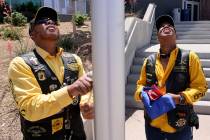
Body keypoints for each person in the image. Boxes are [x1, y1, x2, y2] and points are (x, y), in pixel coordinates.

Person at [8, 7, 94, 140]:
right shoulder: (21, 64)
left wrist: (87, 105)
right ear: (32, 34)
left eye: (54, 21)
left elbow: (86, 92)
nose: (50, 22)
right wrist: (70, 91)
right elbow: (30, 109)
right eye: (43, 20)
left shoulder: (74, 60)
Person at [134, 15, 208, 140]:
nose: (166, 26)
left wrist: (180, 98)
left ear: (176, 35)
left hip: (180, 128)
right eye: (161, 26)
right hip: (152, 128)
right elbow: (140, 86)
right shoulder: (148, 61)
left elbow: (201, 88)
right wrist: (142, 94)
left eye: (169, 25)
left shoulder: (190, 58)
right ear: (158, 37)